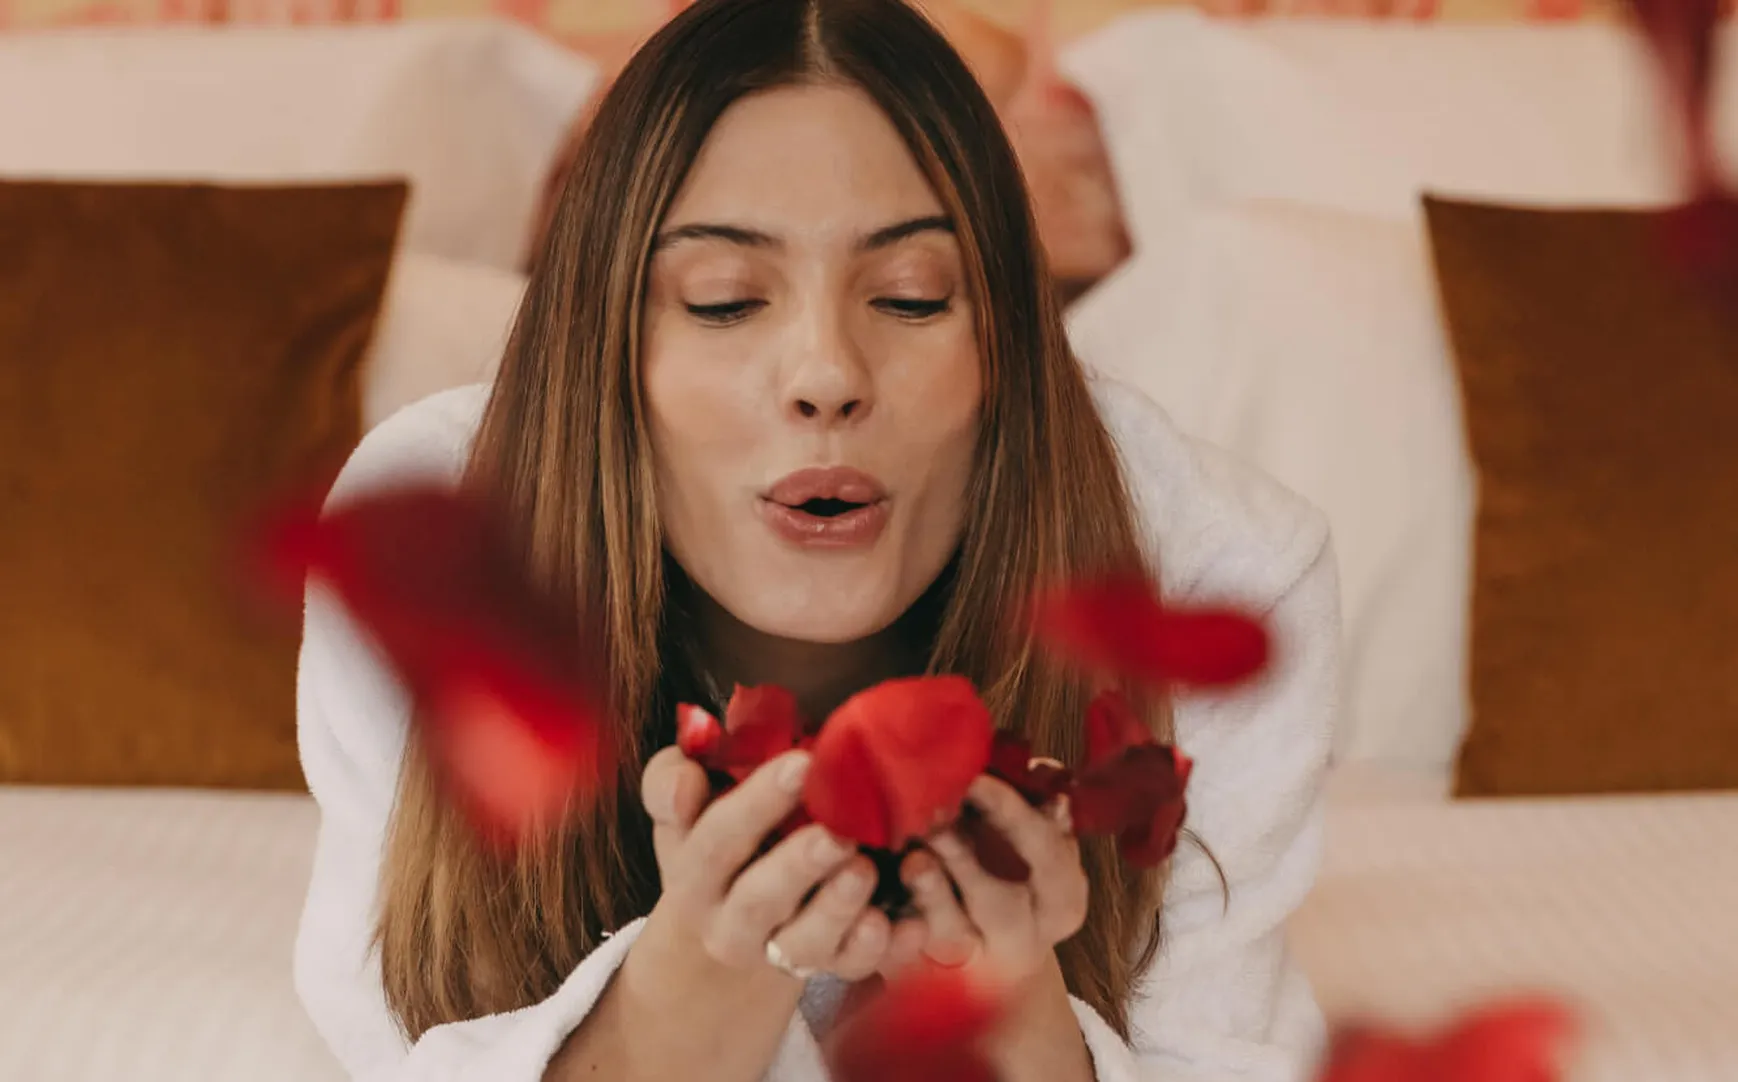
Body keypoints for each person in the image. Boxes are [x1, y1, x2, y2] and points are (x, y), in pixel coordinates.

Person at [291, 1, 1340, 1081]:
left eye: (911, 297)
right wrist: (672, 1016)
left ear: (1009, 349)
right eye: (724, 301)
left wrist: (1016, 1028)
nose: (827, 374)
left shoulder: (1218, 579)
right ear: (605, 345)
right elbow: (389, 1039)